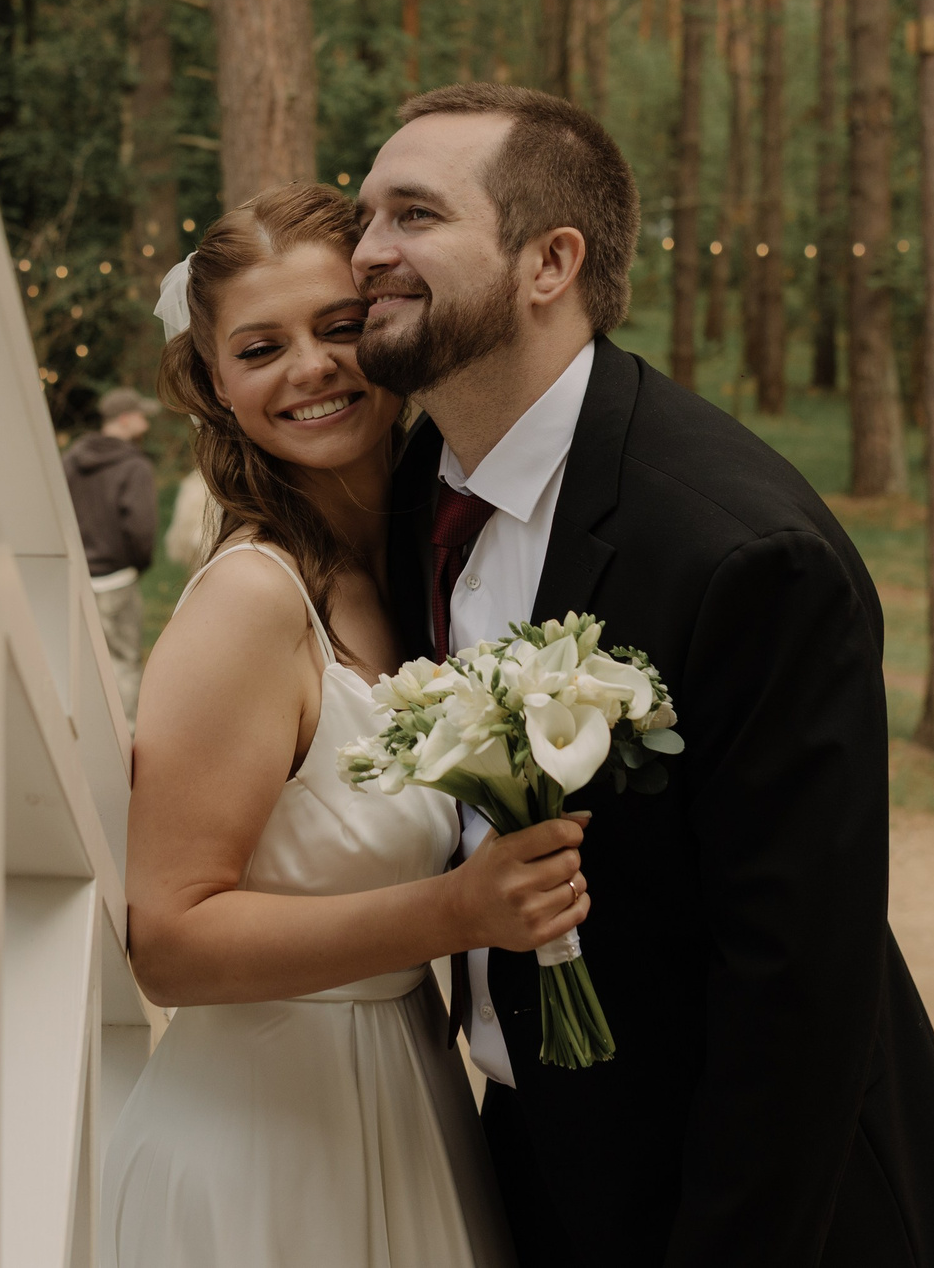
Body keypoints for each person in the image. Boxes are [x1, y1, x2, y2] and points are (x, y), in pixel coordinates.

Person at [353, 83, 934, 1268]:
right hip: (527, 1164)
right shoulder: (415, 489)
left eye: (413, 217)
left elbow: (798, 985)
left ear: (550, 261)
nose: (365, 255)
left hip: (751, 1206)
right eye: (364, 218)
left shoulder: (745, 554)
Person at [101, 183, 587, 1268]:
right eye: (260, 348)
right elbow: (167, 939)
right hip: (263, 1150)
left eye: (337, 328)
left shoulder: (422, 569)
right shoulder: (252, 602)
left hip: (408, 1101)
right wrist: (457, 909)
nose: (310, 370)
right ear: (216, 387)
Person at [64, 386, 159, 717]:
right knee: (124, 661)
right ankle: (125, 735)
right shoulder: (134, 466)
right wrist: (139, 563)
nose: (146, 421)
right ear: (126, 418)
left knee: (81, 662)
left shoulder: (71, 461)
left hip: (77, 579)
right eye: (141, 415)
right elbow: (141, 527)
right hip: (117, 579)